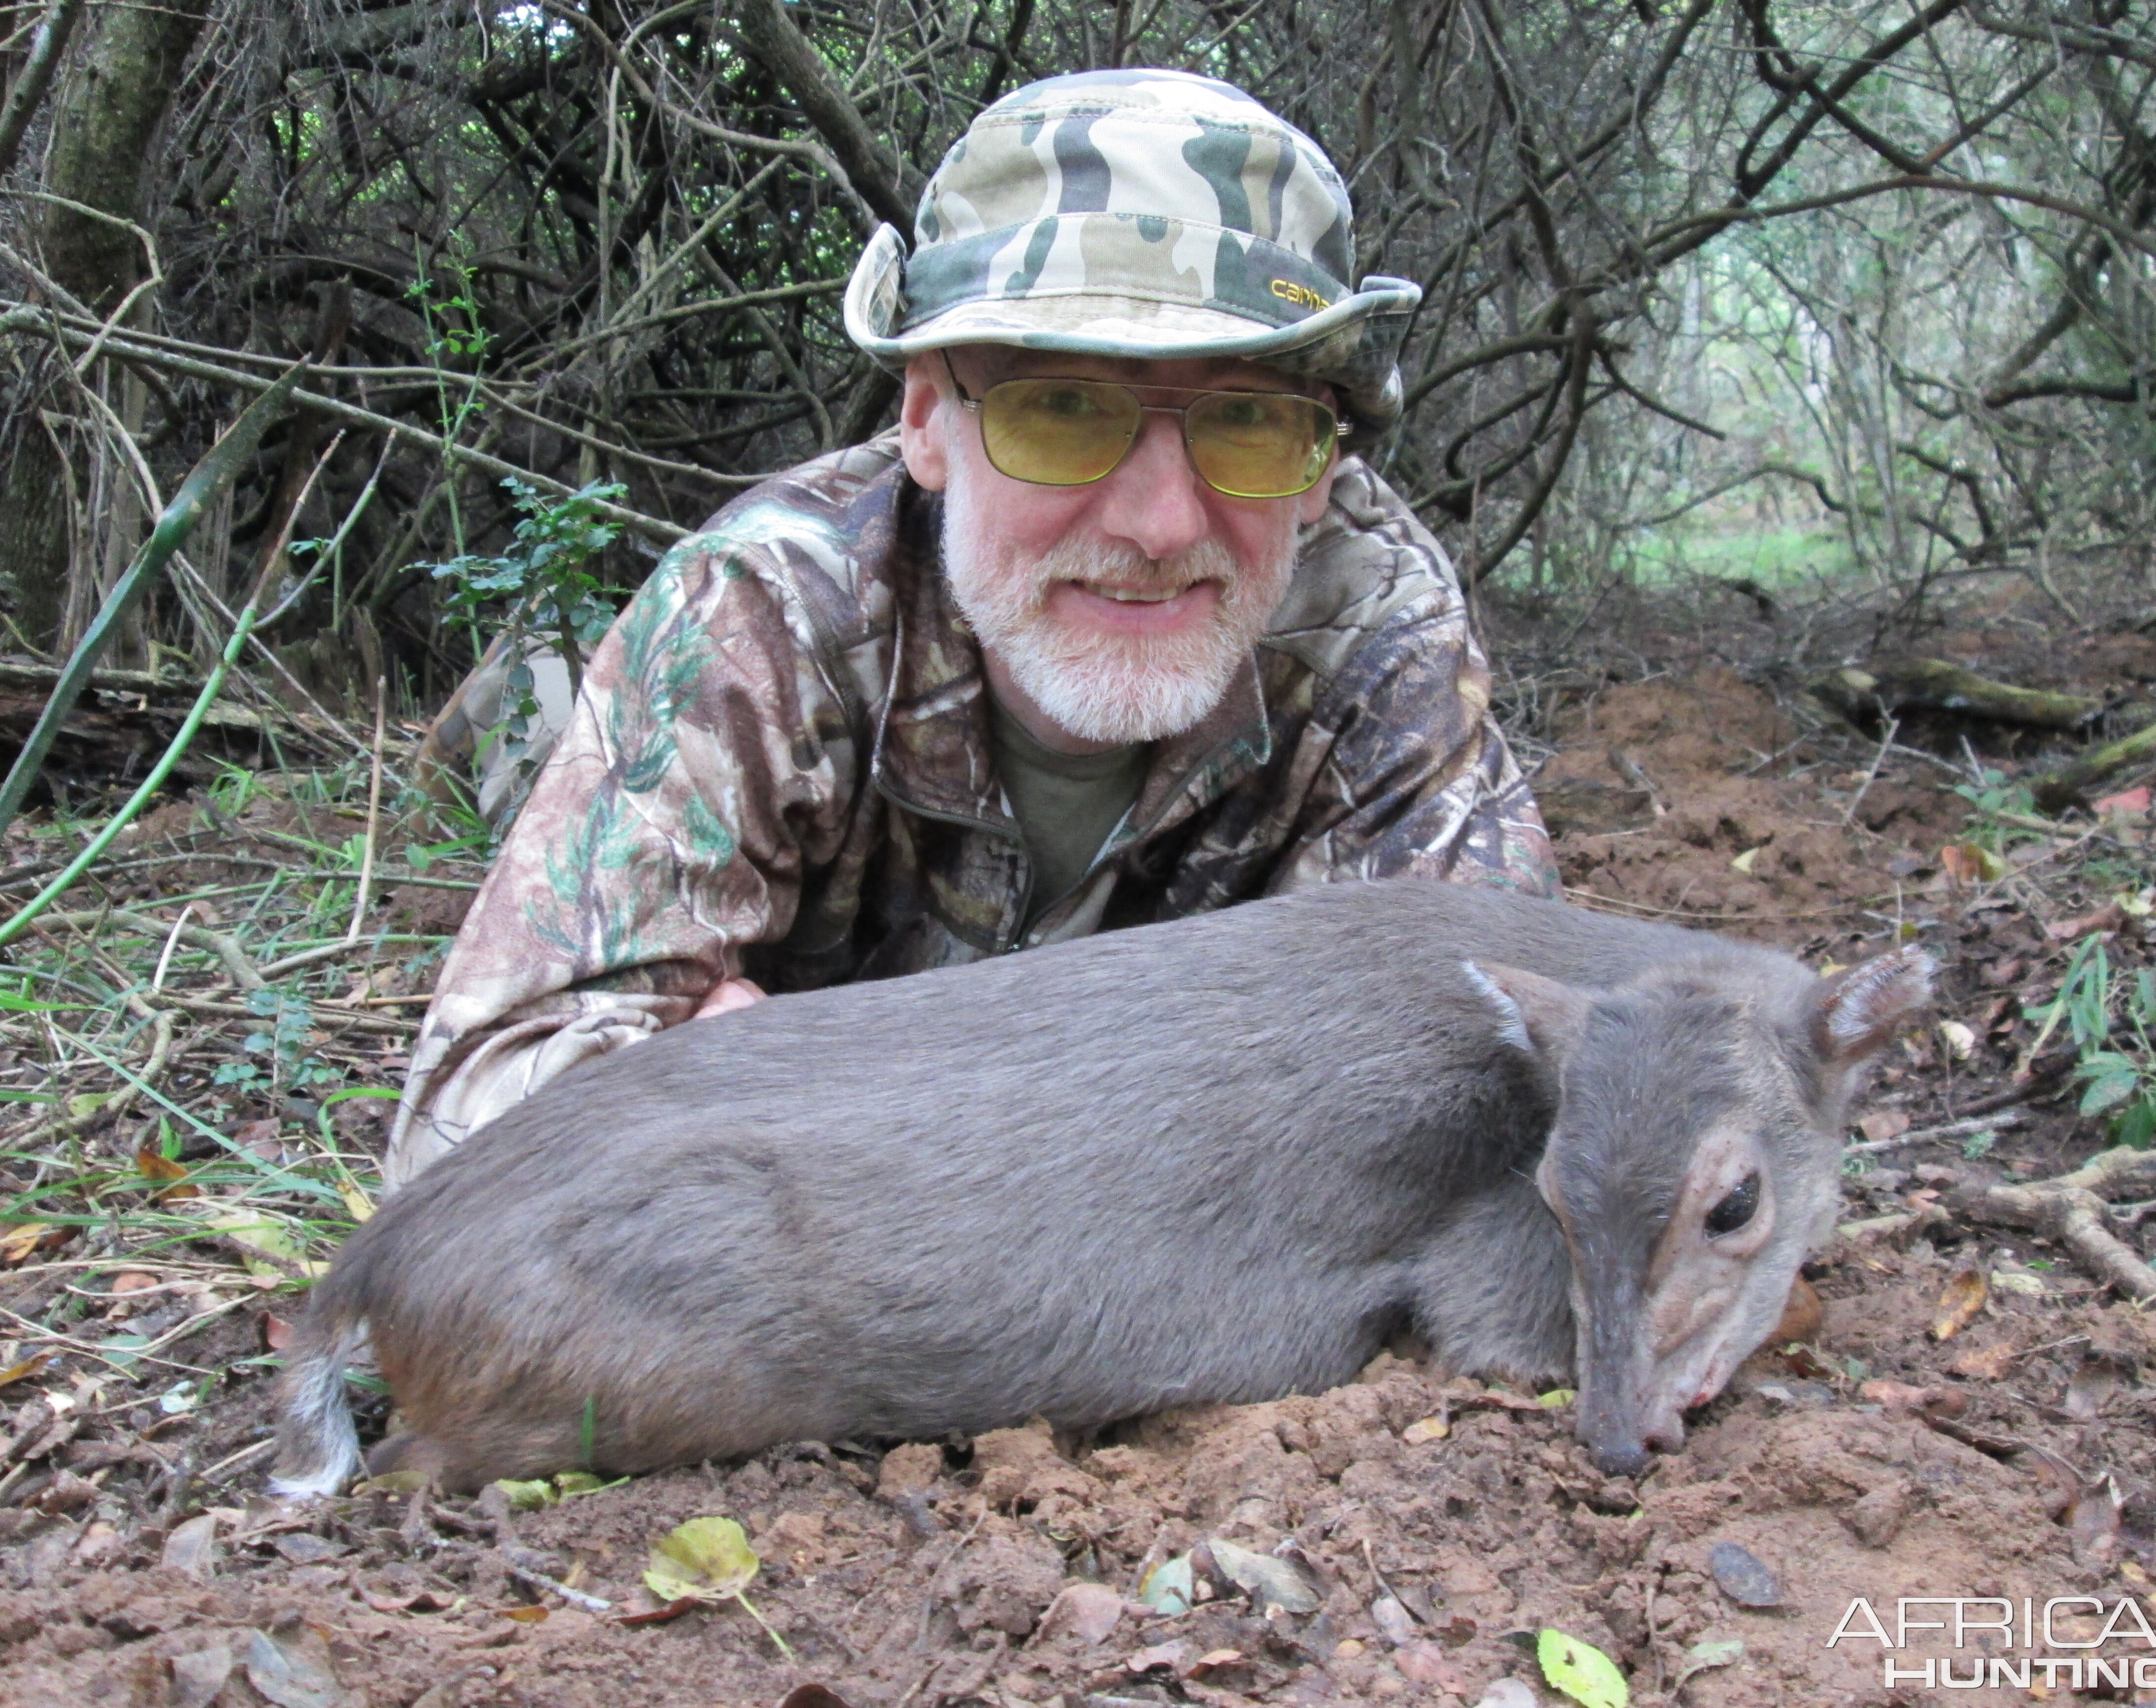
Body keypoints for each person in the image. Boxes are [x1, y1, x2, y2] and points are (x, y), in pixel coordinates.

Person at [384, 68, 1559, 1187]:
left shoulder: (1373, 634)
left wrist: (784, 1098)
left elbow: (1501, 1114)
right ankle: (527, 692)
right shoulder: (766, 606)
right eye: (1060, 412)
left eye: (1248, 424)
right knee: (529, 740)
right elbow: (466, 1148)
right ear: (926, 424)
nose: (1158, 525)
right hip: (650, 721)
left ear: (1321, 467)